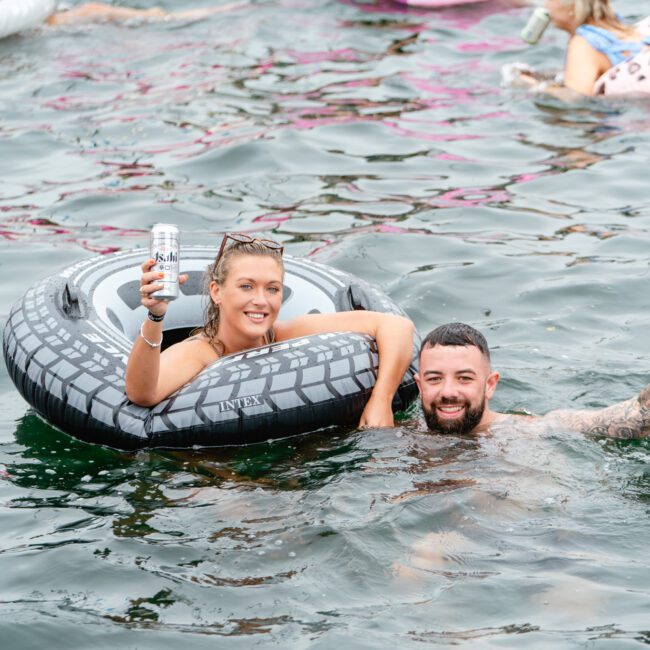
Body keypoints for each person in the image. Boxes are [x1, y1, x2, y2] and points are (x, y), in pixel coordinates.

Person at [125, 233, 415, 428]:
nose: (261, 301)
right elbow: (143, 394)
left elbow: (396, 325)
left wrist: (381, 400)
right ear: (217, 291)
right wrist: (155, 315)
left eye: (272, 289)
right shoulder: (199, 353)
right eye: (246, 286)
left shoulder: (285, 334)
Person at [415, 321, 650, 438]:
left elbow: (637, 414)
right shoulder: (402, 433)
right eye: (434, 379)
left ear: (490, 385)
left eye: (464, 378)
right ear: (419, 385)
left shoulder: (525, 432)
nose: (448, 392)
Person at [519, 0, 650, 96]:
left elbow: (575, 97)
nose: (546, 5)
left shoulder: (584, 43)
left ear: (570, 6)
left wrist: (533, 86)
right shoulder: (622, 29)